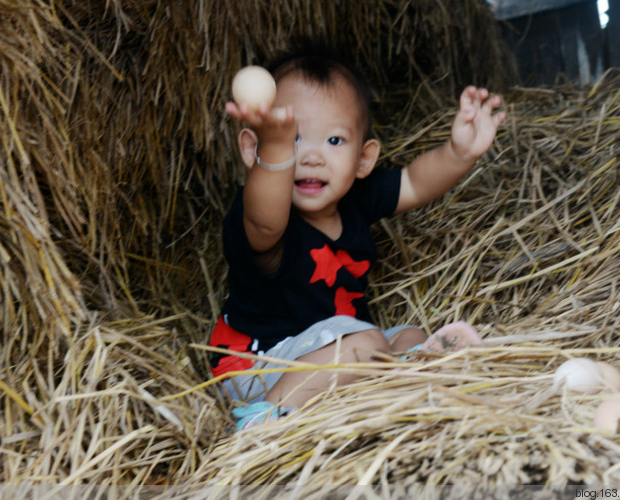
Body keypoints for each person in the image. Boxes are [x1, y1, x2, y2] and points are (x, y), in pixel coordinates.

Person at [211, 42, 505, 430]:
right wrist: (277, 149)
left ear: (364, 158)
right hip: (260, 365)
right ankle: (263, 421)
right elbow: (265, 223)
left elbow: (415, 184)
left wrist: (459, 153)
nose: (312, 156)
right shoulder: (267, 218)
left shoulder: (356, 198)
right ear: (255, 151)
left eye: (333, 141)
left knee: (407, 337)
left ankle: (406, 386)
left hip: (334, 349)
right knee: (367, 345)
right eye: (295, 138)